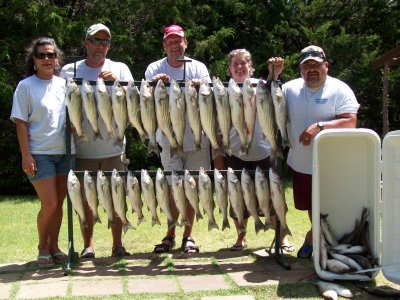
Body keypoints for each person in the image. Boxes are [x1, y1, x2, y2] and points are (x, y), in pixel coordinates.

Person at [267, 45, 359, 258]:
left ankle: (313, 238)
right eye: (307, 66)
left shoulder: (340, 89)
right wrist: (273, 75)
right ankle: (317, 238)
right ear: (301, 70)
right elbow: (267, 101)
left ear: (326, 66)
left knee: (332, 205)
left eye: (316, 65)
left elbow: (350, 121)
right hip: (301, 162)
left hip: (333, 164)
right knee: (311, 205)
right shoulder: (289, 88)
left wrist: (320, 127)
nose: (312, 70)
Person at [60, 23, 133, 258]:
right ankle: (88, 246)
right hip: (83, 150)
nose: (101, 46)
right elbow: (60, 106)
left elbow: (135, 102)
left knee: (116, 197)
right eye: (96, 41)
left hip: (114, 148)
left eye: (105, 42)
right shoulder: (69, 71)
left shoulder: (120, 69)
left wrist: (118, 84)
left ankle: (118, 245)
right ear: (86, 43)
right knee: (85, 200)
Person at [213, 49, 294, 253]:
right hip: (236, 152)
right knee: (238, 197)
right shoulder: (223, 89)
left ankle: (281, 236)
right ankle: (241, 236)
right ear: (229, 70)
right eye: (235, 64)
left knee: (274, 196)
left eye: (243, 64)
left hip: (264, 151)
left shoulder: (259, 86)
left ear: (251, 67)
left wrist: (274, 74)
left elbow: (272, 90)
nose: (240, 67)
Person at [145, 24, 211, 253]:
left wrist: (201, 86)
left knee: (192, 184)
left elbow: (208, 95)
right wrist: (155, 85)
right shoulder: (154, 68)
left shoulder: (198, 67)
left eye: (178, 41)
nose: (174, 45)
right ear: (164, 45)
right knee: (174, 185)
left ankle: (188, 236)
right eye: (170, 41)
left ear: (186, 43)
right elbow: (146, 100)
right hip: (167, 137)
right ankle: (170, 234)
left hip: (196, 137)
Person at [10, 37, 75, 268]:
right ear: (34, 60)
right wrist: (26, 156)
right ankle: (42, 247)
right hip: (40, 153)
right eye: (42, 55)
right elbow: (21, 124)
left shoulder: (66, 85)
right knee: (49, 204)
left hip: (66, 152)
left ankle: (55, 247)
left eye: (51, 55)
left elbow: (74, 115)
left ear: (57, 59)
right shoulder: (26, 86)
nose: (47, 59)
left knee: (59, 203)